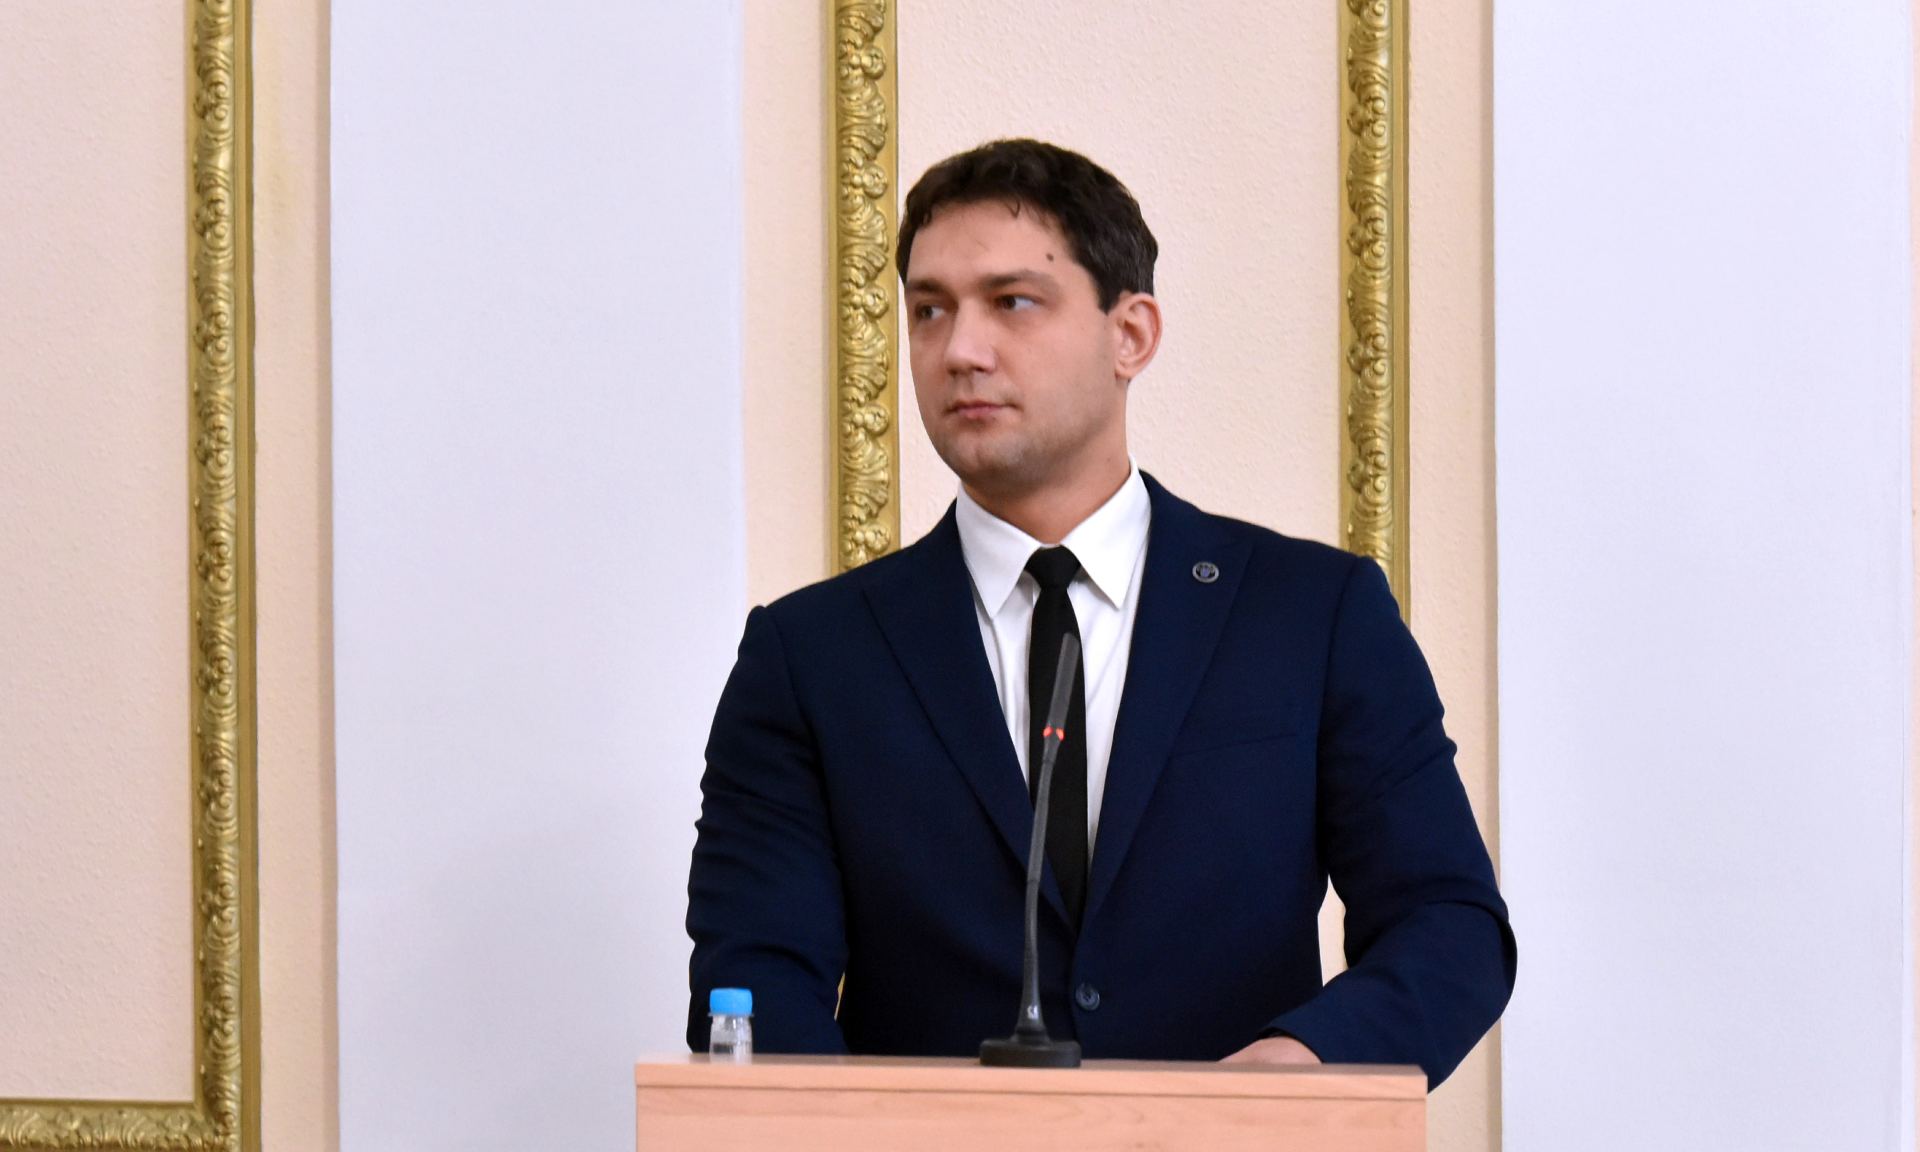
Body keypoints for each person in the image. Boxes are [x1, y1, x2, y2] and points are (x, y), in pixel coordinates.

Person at [686, 138, 1513, 1086]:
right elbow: (756, 983)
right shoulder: (810, 657)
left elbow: (1448, 925)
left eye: (1012, 302)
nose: (960, 351)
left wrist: (1302, 1065)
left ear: (1132, 335)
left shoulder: (1313, 617)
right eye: (929, 310)